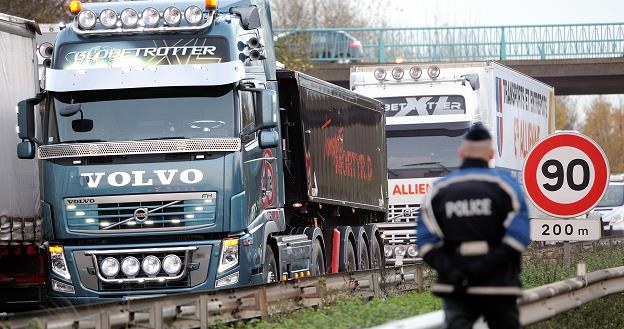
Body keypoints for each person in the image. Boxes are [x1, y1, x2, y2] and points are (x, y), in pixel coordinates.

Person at [416, 122, 530, 329]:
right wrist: (482, 267)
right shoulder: (507, 187)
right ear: (490, 154)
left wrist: (454, 272)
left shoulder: (438, 190)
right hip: (499, 287)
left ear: (461, 152)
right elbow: (519, 237)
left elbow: (425, 242)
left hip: (457, 288)